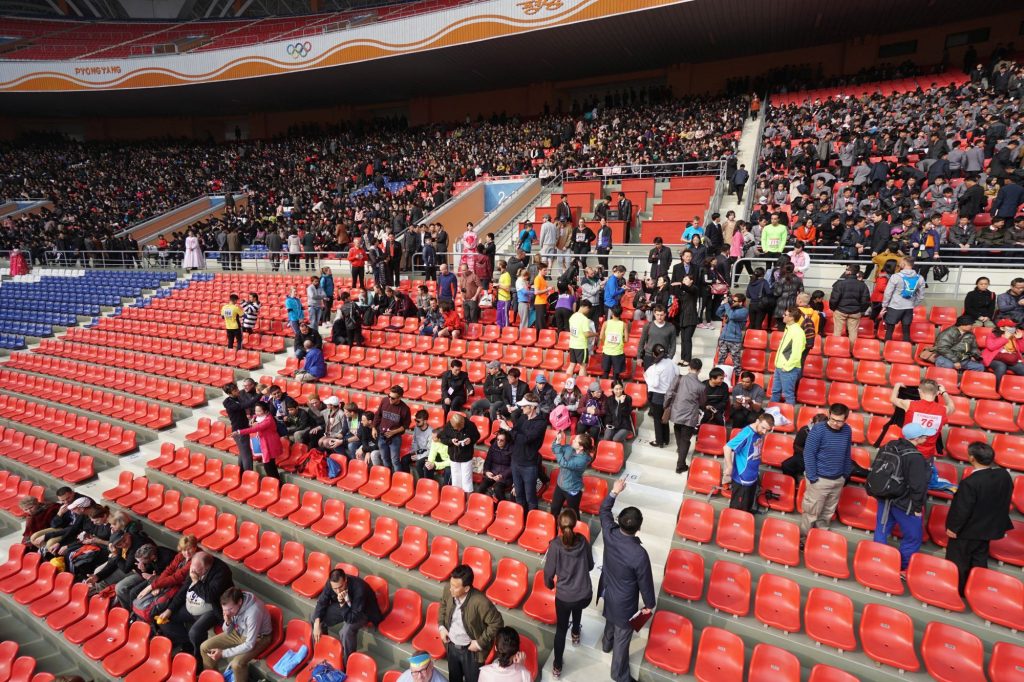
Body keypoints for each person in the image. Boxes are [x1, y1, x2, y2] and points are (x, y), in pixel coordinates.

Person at [597, 479, 655, 682]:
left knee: (610, 619)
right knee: (623, 640)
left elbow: (604, 511)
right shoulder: (639, 554)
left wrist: (614, 492)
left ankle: (606, 644)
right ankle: (619, 675)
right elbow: (645, 583)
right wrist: (649, 605)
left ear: (619, 521)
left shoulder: (609, 532)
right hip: (625, 602)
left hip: (608, 590)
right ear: (638, 528)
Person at [945, 442, 1014, 595]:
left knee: (958, 563)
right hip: (988, 529)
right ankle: (977, 591)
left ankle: (958, 592)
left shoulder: (970, 483)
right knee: (979, 561)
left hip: (967, 531)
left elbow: (962, 509)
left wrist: (952, 528)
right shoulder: (1004, 475)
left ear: (971, 458)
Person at [872, 424, 933, 571]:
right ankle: (901, 568)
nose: (927, 437)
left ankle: (877, 560)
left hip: (885, 496)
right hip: (905, 503)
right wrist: (917, 508)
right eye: (924, 435)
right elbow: (918, 486)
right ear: (916, 438)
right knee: (913, 537)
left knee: (881, 531)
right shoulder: (915, 457)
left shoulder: (889, 446)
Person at [544, 508, 594, 679]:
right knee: (577, 606)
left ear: (559, 525)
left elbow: (548, 573)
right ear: (575, 523)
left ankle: (557, 666)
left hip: (565, 597)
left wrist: (549, 584)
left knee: (560, 630)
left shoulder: (556, 545)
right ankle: (575, 634)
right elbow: (591, 566)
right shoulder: (583, 541)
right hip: (584, 595)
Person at [158, 552, 233, 657]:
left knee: (195, 633)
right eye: (192, 569)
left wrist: (196, 581)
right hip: (192, 604)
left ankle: (199, 657)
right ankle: (188, 643)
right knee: (165, 620)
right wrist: (169, 609)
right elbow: (183, 590)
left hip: (212, 609)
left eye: (196, 571)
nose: (192, 573)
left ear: (206, 568)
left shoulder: (222, 572)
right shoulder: (195, 569)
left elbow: (210, 597)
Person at [437, 565, 504, 682]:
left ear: (467, 588)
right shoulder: (448, 589)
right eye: (451, 584)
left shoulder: (481, 602)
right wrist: (442, 627)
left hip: (471, 653)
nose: (450, 589)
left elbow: (497, 623)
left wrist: (479, 643)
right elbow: (443, 605)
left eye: (455, 587)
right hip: (451, 647)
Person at [890, 379, 957, 492]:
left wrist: (897, 386)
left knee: (900, 479)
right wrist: (944, 393)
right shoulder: (943, 410)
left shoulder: (910, 404)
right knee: (920, 483)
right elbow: (952, 407)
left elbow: (892, 399)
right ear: (936, 393)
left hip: (906, 451)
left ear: (919, 391)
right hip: (926, 454)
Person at [799, 403, 853, 540]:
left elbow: (847, 453)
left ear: (845, 419)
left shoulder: (847, 430)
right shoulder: (818, 430)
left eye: (839, 421)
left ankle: (819, 538)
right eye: (833, 419)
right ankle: (804, 539)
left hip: (838, 479)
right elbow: (808, 453)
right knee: (811, 512)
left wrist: (845, 474)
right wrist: (812, 477)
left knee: (827, 512)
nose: (835, 423)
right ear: (829, 414)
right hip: (819, 479)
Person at [200, 588, 273, 682]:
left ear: (239, 602)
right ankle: (213, 679)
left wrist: (223, 653)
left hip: (260, 638)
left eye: (230, 609)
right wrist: (228, 622)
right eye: (224, 610)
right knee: (204, 647)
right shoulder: (232, 606)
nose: (227, 612)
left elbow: (249, 644)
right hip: (239, 631)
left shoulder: (254, 611)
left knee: (236, 664)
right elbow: (227, 631)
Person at [312, 568, 384, 663]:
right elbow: (322, 601)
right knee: (315, 618)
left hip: (363, 611)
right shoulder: (331, 584)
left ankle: (348, 663)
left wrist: (342, 603)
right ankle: (323, 652)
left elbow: (351, 618)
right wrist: (317, 624)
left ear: (345, 580)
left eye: (340, 587)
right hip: (344, 605)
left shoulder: (359, 588)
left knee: (346, 632)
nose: (337, 591)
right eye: (335, 588)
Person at [722, 413, 775, 512]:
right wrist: (729, 467)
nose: (764, 432)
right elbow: (727, 447)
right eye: (763, 428)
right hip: (742, 479)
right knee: (737, 511)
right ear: (757, 421)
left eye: (767, 430)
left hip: (752, 477)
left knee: (747, 509)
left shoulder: (759, 433)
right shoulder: (747, 433)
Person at [662, 358, 706, 473]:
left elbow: (669, 393)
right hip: (690, 415)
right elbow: (702, 402)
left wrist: (665, 405)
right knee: (686, 439)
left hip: (677, 411)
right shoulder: (701, 386)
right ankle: (680, 465)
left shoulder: (679, 378)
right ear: (700, 370)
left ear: (689, 367)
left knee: (678, 431)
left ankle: (680, 452)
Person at [506, 392, 546, 512]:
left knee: (530, 498)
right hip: (516, 462)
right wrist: (508, 427)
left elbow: (525, 439)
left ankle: (531, 523)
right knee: (519, 495)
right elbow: (515, 434)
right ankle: (520, 521)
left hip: (528, 465)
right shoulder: (522, 418)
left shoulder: (541, 423)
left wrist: (509, 429)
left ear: (532, 407)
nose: (522, 408)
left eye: (524, 406)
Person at [232, 402, 281, 480]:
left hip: (270, 444)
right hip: (265, 442)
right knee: (270, 465)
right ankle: (276, 481)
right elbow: (256, 416)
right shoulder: (262, 416)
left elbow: (254, 429)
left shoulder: (268, 420)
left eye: (259, 411)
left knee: (269, 466)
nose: (257, 413)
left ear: (266, 411)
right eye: (256, 411)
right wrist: (253, 417)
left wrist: (239, 432)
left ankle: (276, 482)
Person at [550, 431, 594, 517]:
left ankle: (576, 530)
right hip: (560, 486)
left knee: (573, 515)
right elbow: (554, 448)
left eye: (575, 440)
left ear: (581, 447)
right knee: (554, 509)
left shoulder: (582, 460)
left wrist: (558, 449)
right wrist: (557, 441)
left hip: (572, 490)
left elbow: (564, 464)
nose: (572, 440)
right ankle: (554, 529)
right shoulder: (569, 448)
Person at [881, 256, 924, 341]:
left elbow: (888, 293)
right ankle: (906, 348)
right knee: (906, 330)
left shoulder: (896, 276)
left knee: (889, 329)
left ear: (904, 264)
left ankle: (888, 348)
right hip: (909, 307)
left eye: (901, 262)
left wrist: (885, 305)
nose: (899, 264)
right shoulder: (920, 278)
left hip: (895, 306)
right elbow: (921, 295)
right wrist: (913, 304)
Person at [643, 344, 676, 448]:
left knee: (657, 419)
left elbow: (655, 384)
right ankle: (666, 439)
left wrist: (646, 377)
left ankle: (659, 441)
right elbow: (677, 373)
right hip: (669, 395)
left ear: (653, 353)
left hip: (658, 396)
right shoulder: (671, 362)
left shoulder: (656, 367)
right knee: (665, 417)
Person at [770, 307, 806, 404]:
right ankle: (770, 415)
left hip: (788, 368)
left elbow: (797, 353)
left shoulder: (798, 332)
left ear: (791, 318)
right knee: (775, 392)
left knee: (788, 395)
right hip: (780, 367)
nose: (783, 316)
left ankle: (789, 418)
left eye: (785, 315)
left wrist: (787, 367)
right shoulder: (789, 328)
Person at [373, 386, 412, 473]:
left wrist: (394, 432)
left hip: (395, 438)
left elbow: (405, 426)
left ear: (399, 398)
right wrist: (373, 428)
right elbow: (377, 415)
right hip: (382, 436)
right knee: (384, 459)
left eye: (393, 398)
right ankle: (388, 477)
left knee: (395, 461)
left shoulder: (405, 409)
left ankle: (397, 479)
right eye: (389, 396)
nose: (390, 399)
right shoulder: (384, 401)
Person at [829, 264, 870, 344]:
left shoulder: (840, 284)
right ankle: (851, 351)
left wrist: (834, 308)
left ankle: (835, 348)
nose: (845, 271)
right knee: (853, 333)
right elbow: (866, 301)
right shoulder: (863, 285)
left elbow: (834, 299)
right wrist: (860, 310)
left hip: (841, 311)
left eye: (847, 270)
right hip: (855, 312)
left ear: (849, 272)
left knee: (837, 331)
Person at [440, 413, 480, 493]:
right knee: (455, 480)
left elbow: (477, 436)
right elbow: (442, 438)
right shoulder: (449, 425)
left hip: (466, 457)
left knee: (466, 480)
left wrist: (470, 440)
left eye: (459, 428)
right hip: (454, 456)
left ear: (463, 424)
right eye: (456, 429)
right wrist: (451, 441)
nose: (458, 430)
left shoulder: (470, 425)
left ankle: (467, 500)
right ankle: (457, 498)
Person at [982, 320, 1024, 388]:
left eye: (1013, 326)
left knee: (1022, 369)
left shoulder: (1014, 336)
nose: (1012, 328)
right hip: (995, 358)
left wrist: (1020, 339)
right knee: (1001, 366)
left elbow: (1022, 350)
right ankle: (996, 388)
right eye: (1010, 326)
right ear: (1002, 328)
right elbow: (991, 347)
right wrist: (1004, 338)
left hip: (1011, 359)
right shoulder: (993, 335)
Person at [476, 431, 513, 501]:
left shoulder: (512, 449)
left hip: (506, 477)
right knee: (481, 487)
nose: (499, 442)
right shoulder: (493, 447)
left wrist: (501, 475)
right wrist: (487, 471)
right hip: (493, 474)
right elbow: (488, 461)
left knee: (498, 488)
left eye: (502, 440)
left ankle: (502, 507)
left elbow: (512, 467)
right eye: (497, 439)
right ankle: (480, 504)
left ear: (506, 441)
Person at [637, 305, 676, 370]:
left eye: (661, 315)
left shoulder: (671, 327)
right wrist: (639, 357)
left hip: (663, 357)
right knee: (648, 379)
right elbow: (642, 342)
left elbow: (673, 345)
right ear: (654, 314)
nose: (659, 317)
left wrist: (670, 358)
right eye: (657, 315)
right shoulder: (648, 325)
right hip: (649, 356)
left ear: (665, 314)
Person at [715, 293, 747, 369]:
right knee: (720, 361)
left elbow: (732, 316)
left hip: (734, 340)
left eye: (734, 301)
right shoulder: (730, 309)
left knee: (736, 363)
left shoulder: (744, 311)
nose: (732, 302)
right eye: (732, 300)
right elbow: (718, 313)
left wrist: (727, 305)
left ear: (740, 302)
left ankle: (736, 378)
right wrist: (725, 304)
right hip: (724, 339)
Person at [566, 300, 595, 376]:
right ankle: (581, 385)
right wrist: (595, 334)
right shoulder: (584, 319)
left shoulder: (572, 316)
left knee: (572, 364)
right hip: (581, 346)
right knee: (583, 366)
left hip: (572, 344)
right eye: (588, 309)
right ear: (585, 307)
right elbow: (587, 334)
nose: (588, 311)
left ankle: (567, 381)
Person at [598, 305, 627, 380]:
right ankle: (615, 389)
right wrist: (620, 341)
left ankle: (604, 387)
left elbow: (601, 337)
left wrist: (605, 342)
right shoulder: (624, 325)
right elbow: (626, 339)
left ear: (612, 313)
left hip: (607, 351)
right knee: (616, 374)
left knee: (605, 372)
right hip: (618, 352)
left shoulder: (606, 323)